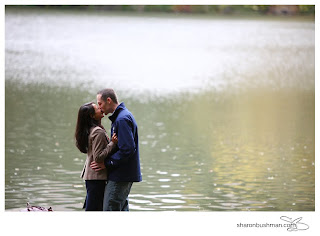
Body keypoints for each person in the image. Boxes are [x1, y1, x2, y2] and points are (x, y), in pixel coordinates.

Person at [90, 88, 142, 211]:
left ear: (108, 100)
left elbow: (127, 150)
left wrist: (107, 163)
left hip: (121, 176)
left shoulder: (122, 119)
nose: (99, 107)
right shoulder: (121, 116)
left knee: (110, 209)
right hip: (122, 174)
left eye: (100, 103)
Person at [75, 102, 118, 211]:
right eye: (97, 108)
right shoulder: (97, 132)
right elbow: (98, 157)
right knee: (94, 209)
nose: (100, 108)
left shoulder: (91, 129)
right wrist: (112, 143)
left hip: (91, 176)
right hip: (96, 176)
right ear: (92, 115)